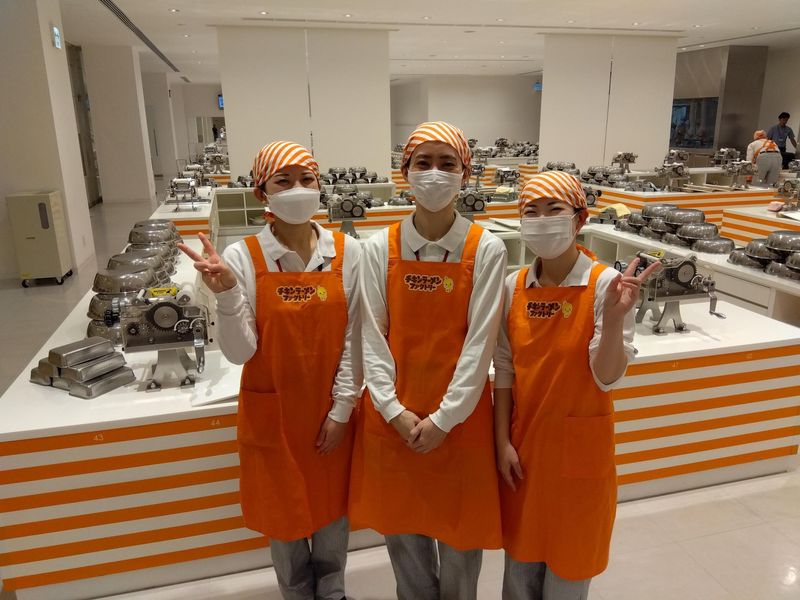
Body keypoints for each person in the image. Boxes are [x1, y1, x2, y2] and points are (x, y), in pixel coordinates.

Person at [177, 141, 362, 600]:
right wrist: (227, 293)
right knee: (285, 526)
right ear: (262, 193)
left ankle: (334, 593)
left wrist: (342, 410)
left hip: (330, 415)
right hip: (273, 418)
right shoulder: (243, 257)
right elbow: (241, 353)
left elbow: (355, 339)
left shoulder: (348, 253)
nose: (298, 188)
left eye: (307, 179)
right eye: (284, 181)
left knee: (332, 522)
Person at [350, 121, 506, 600]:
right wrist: (392, 410)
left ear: (465, 174)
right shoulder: (379, 248)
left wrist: (445, 418)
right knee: (406, 544)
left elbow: (479, 345)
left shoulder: (486, 249)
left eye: (447, 163)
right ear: (406, 172)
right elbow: (372, 336)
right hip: (395, 420)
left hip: (459, 423)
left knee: (460, 544)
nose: (435, 173)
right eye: (424, 163)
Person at [493, 171, 659, 600]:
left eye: (554, 209)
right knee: (519, 575)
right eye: (531, 211)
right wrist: (501, 441)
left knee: (567, 576)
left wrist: (616, 319)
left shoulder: (605, 285)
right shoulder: (513, 286)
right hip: (525, 450)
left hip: (581, 457)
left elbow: (607, 377)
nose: (541, 220)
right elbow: (505, 371)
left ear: (579, 219)